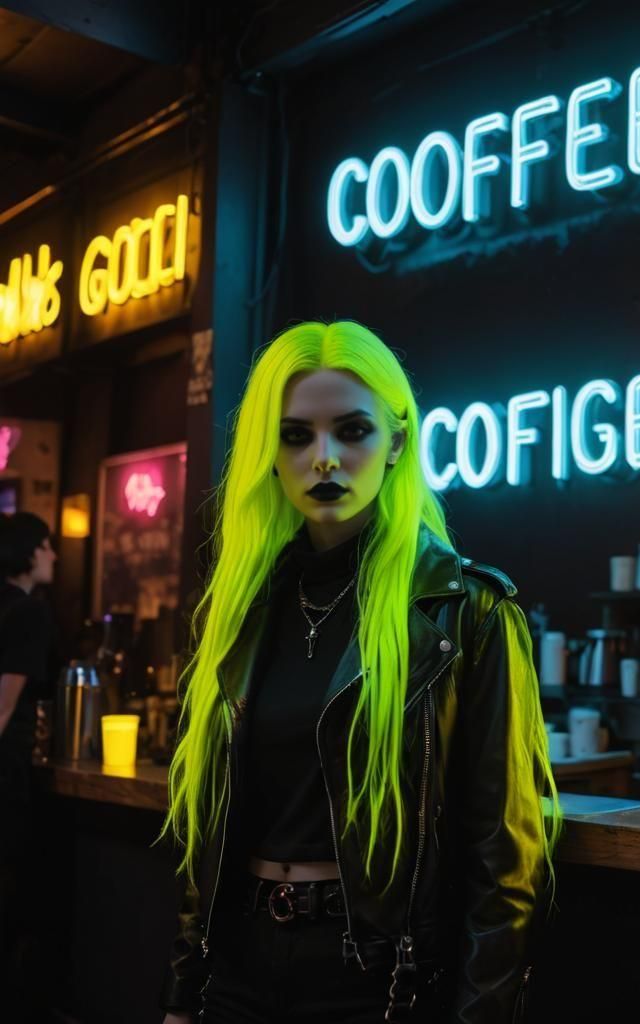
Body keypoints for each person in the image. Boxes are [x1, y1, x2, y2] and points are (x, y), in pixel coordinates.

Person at [157, 321, 563, 1023]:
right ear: (269, 452)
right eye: (296, 436)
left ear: (397, 443)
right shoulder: (242, 611)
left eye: (352, 432)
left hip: (377, 982)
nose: (324, 459)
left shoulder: (465, 613)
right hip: (239, 974)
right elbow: (210, 831)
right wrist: (182, 994)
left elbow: (505, 860)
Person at [0, 511, 58, 1022]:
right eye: (47, 545)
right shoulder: (28, 613)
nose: (54, 555)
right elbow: (1, 710)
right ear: (28, 552)